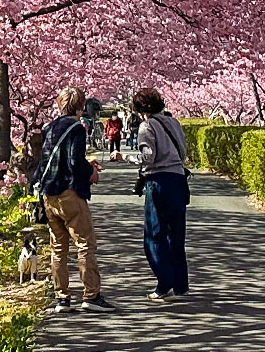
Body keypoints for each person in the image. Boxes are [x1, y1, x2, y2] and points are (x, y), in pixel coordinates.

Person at [37, 88, 121, 313]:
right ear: (80, 107)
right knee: (85, 244)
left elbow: (48, 161)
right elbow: (74, 162)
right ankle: (91, 295)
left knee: (58, 248)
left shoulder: (49, 128)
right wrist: (91, 171)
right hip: (69, 194)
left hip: (49, 194)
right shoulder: (76, 128)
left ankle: (62, 298)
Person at [124, 88, 192, 299]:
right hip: (178, 180)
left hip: (159, 181)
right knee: (176, 235)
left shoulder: (147, 126)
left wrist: (125, 157)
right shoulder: (174, 123)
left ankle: (164, 284)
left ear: (140, 110)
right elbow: (183, 152)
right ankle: (180, 284)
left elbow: (148, 157)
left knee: (154, 235)